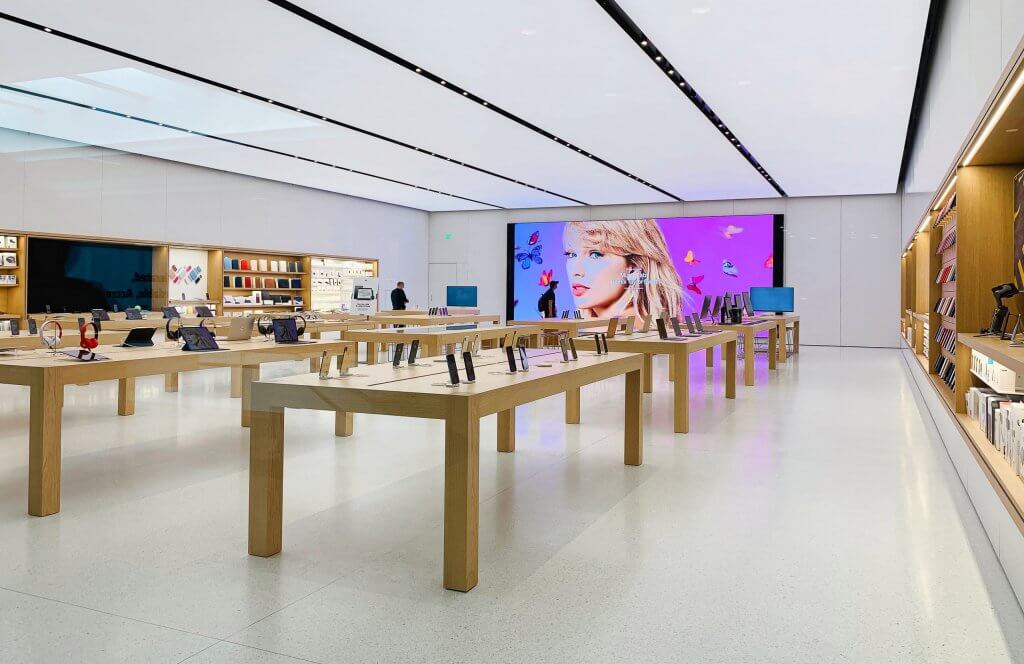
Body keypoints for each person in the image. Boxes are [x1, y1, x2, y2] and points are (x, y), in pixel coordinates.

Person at [562, 219, 684, 319]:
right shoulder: (646, 321)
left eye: (595, 254)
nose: (576, 271)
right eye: (571, 254)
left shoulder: (607, 329)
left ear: (633, 266)